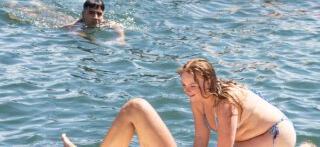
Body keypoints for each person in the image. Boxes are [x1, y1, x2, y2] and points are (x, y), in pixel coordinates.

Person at [61, 58, 296, 147]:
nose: (188, 91)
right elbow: (201, 140)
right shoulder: (197, 99)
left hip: (274, 135)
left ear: (209, 81)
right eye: (184, 86)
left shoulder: (226, 103)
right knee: (136, 107)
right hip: (244, 138)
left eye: (193, 86)